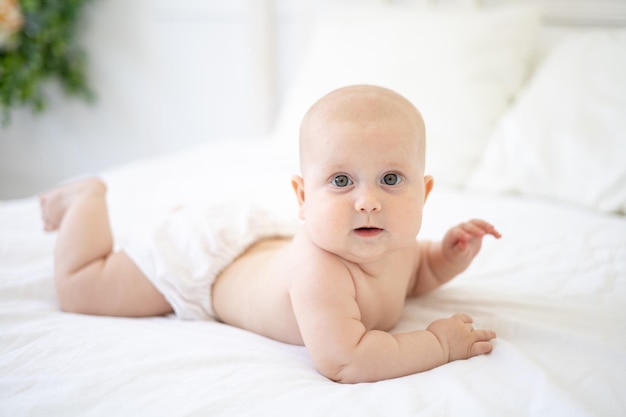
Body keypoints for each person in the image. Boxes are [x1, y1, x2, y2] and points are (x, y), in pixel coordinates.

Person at [40, 84, 501, 383]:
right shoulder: (322, 271)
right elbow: (347, 359)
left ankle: (179, 213)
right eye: (341, 181)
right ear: (303, 196)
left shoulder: (388, 241)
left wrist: (445, 257)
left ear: (424, 192)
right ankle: (87, 199)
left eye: (391, 179)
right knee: (84, 286)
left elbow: (415, 274)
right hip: (206, 267)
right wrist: (438, 344)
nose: (367, 201)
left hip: (256, 241)